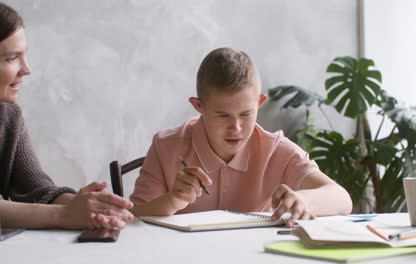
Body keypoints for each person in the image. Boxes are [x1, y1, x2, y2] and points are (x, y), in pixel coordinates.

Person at [130, 47, 352, 225]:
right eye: (222, 115)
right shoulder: (166, 146)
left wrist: (305, 200)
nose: (236, 128)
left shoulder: (276, 149)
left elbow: (342, 199)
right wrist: (173, 200)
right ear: (199, 106)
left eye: (246, 114)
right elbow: (133, 216)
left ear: (260, 103)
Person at [0, 2, 133, 229]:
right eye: (12, 58)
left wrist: (85, 206)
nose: (27, 69)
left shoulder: (9, 116)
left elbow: (38, 190)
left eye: (24, 56)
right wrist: (63, 216)